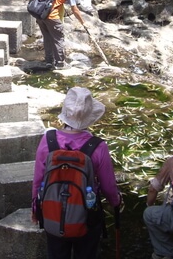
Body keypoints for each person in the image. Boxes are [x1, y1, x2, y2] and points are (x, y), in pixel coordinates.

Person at [32, 87, 122, 259]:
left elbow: (38, 179)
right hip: (87, 215)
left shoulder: (48, 140)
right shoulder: (98, 146)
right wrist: (116, 201)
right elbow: (108, 186)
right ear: (89, 118)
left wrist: (36, 208)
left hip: (52, 211)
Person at [36, 0, 88, 70]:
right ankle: (60, 63)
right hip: (53, 17)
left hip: (40, 14)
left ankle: (49, 62)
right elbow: (75, 9)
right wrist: (83, 22)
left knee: (47, 38)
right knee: (58, 39)